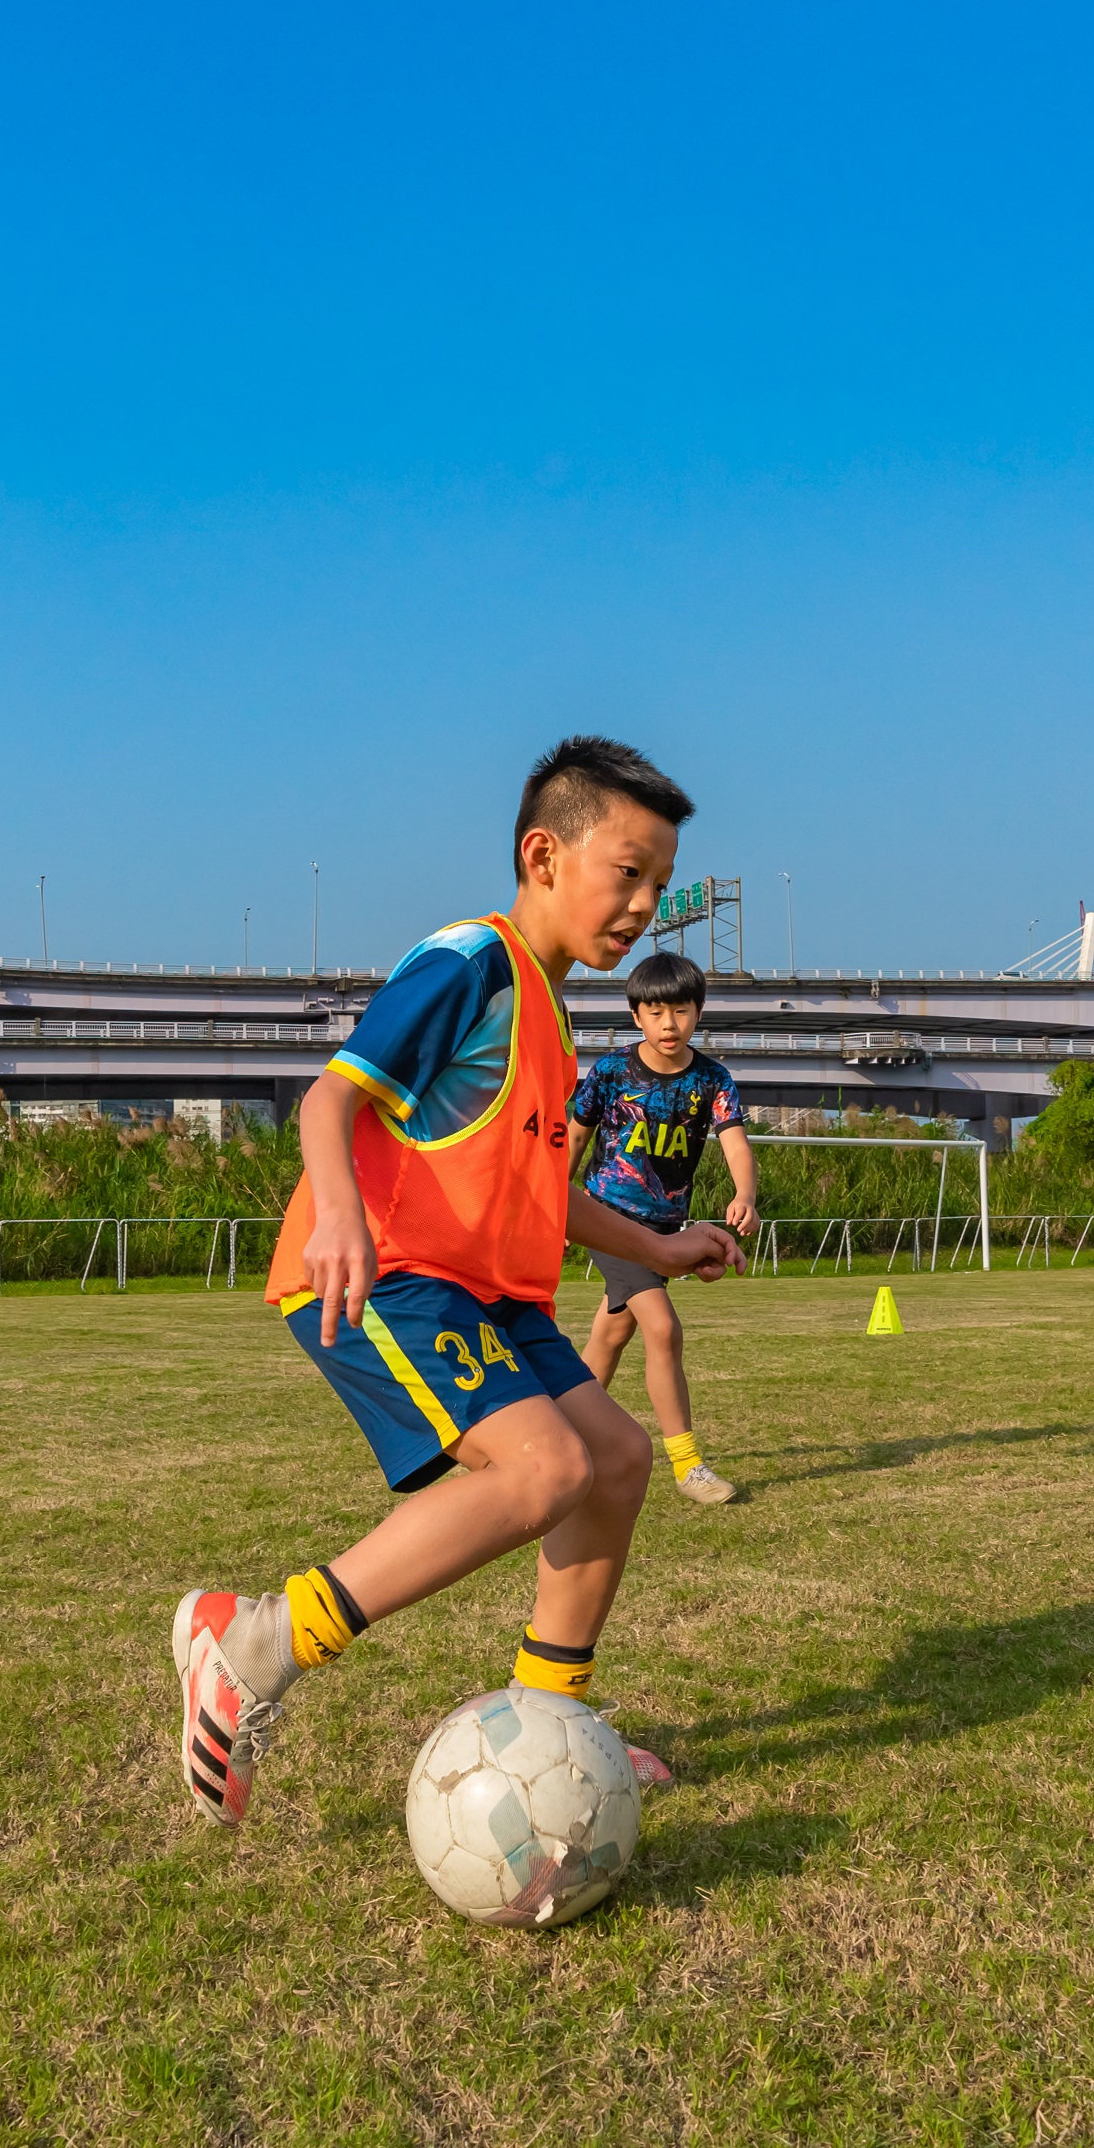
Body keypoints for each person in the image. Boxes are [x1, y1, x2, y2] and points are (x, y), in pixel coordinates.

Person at [170, 735, 738, 1828]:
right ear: (542, 854)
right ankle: (249, 1647)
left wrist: (658, 1249)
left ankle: (554, 1718)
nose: (642, 907)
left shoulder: (554, 1021)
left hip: (488, 1292)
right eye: (628, 872)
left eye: (658, 886)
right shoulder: (469, 962)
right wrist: (338, 1213)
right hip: (388, 1277)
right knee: (543, 1469)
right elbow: (331, 1099)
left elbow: (536, 1192)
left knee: (615, 1458)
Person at [572, 948, 759, 1506]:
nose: (668, 1023)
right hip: (606, 1217)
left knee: (612, 1332)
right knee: (662, 1327)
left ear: (698, 1013)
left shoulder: (712, 1079)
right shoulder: (609, 1072)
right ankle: (688, 1465)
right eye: (655, 1012)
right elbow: (573, 1136)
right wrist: (549, 1202)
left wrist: (744, 1194)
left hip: (665, 1227)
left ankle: (567, 1430)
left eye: (679, 1010)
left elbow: (735, 1146)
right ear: (636, 1017)